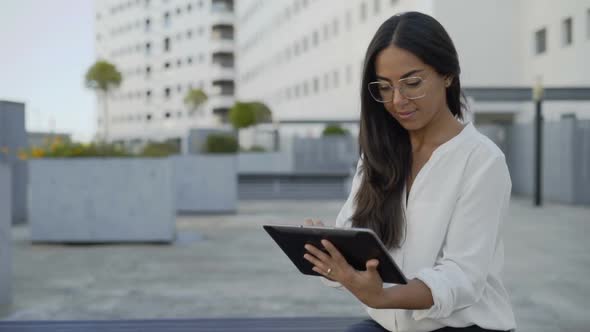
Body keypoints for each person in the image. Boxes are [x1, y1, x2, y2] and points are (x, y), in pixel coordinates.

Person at [303, 11, 516, 332]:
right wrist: (332, 256)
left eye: (412, 83)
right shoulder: (378, 154)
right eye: (385, 87)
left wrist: (384, 298)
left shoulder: (482, 160)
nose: (398, 100)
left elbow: (462, 276)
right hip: (389, 326)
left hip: (465, 327)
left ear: (448, 75)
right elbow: (357, 238)